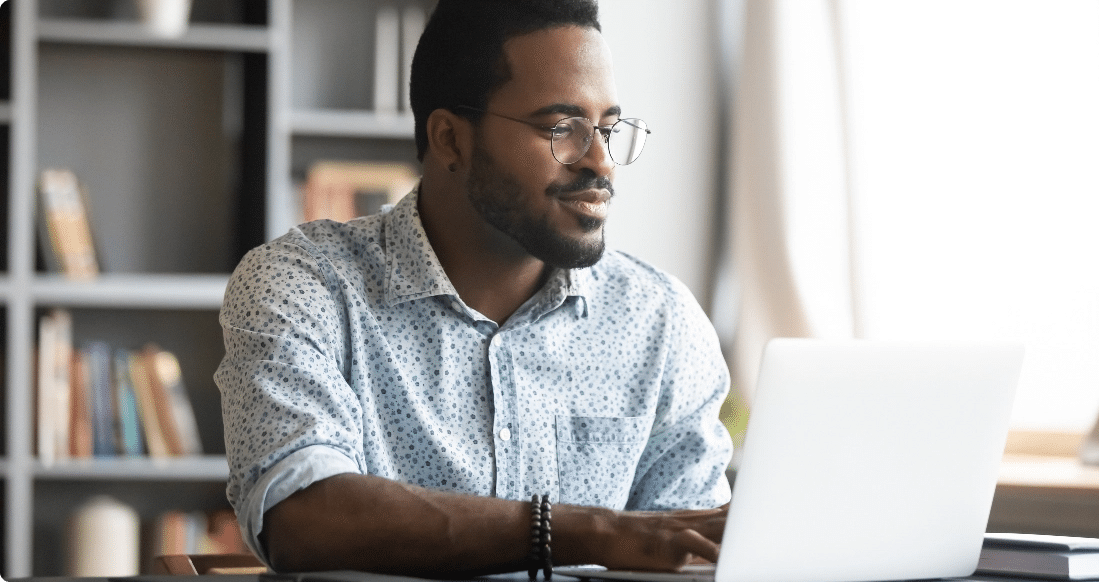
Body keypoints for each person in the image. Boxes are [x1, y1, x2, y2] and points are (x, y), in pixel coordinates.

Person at [215, 0, 732, 577]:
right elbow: (303, 518)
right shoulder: (306, 287)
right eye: (562, 128)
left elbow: (689, 551)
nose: (602, 163)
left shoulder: (660, 321)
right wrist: (588, 533)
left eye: (609, 129)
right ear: (450, 139)